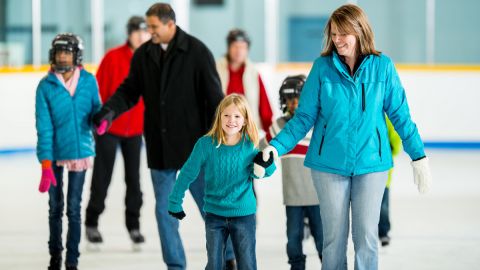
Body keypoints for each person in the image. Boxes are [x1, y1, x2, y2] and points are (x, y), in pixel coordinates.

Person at [260, 4, 432, 270]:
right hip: (328, 166)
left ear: (360, 31)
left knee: (366, 238)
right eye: (334, 34)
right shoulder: (322, 68)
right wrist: (276, 146)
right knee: (334, 240)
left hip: (371, 164)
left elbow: (401, 117)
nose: (337, 40)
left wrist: (418, 156)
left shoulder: (382, 67)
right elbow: (304, 118)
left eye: (344, 34)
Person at [91, 3, 238, 269]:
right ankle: (175, 265)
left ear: (170, 24)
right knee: (165, 212)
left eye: (154, 27)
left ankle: (228, 257)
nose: (150, 32)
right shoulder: (144, 55)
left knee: (212, 209)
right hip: (161, 150)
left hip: (196, 150)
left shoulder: (196, 52)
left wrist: (222, 141)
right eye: (148, 27)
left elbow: (216, 99)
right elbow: (129, 91)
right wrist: (109, 111)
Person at [168, 94, 276, 270]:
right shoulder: (205, 145)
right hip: (214, 215)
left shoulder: (250, 145)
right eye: (226, 115)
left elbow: (266, 171)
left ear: (245, 120)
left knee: (247, 263)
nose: (231, 120)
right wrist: (175, 201)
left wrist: (266, 164)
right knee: (215, 264)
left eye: (237, 116)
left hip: (244, 215)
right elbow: (187, 173)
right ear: (219, 117)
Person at [35, 33, 101, 270]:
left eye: (67, 52)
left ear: (77, 55)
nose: (62, 56)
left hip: (80, 152)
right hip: (54, 154)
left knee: (73, 207)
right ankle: (55, 257)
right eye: (59, 52)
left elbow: (97, 110)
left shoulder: (88, 81)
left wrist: (101, 121)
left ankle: (72, 260)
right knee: (55, 207)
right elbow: (44, 127)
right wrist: (45, 163)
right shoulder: (45, 86)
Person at [84, 15, 150, 247]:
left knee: (134, 181)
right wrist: (97, 120)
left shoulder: (152, 58)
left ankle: (134, 226)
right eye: (137, 32)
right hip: (109, 129)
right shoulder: (112, 57)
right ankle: (92, 221)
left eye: (145, 32)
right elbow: (98, 90)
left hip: (135, 132)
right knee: (102, 178)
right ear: (129, 33)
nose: (141, 36)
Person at [261, 75, 323, 270]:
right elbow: (260, 150)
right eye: (289, 100)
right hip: (293, 198)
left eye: (297, 99)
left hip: (317, 197)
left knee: (322, 240)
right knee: (293, 241)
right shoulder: (278, 126)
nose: (293, 104)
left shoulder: (317, 125)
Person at [216, 29, 273, 133]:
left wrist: (270, 136)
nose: (239, 51)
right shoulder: (216, 71)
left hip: (248, 133)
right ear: (229, 48)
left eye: (242, 47)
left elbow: (265, 110)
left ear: (247, 50)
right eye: (235, 46)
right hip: (222, 131)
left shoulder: (253, 74)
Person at [378, 117, 402, 247]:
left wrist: (389, 151)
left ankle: (383, 232)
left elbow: (395, 140)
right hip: (369, 166)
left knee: (382, 205)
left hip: (383, 168)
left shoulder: (387, 118)